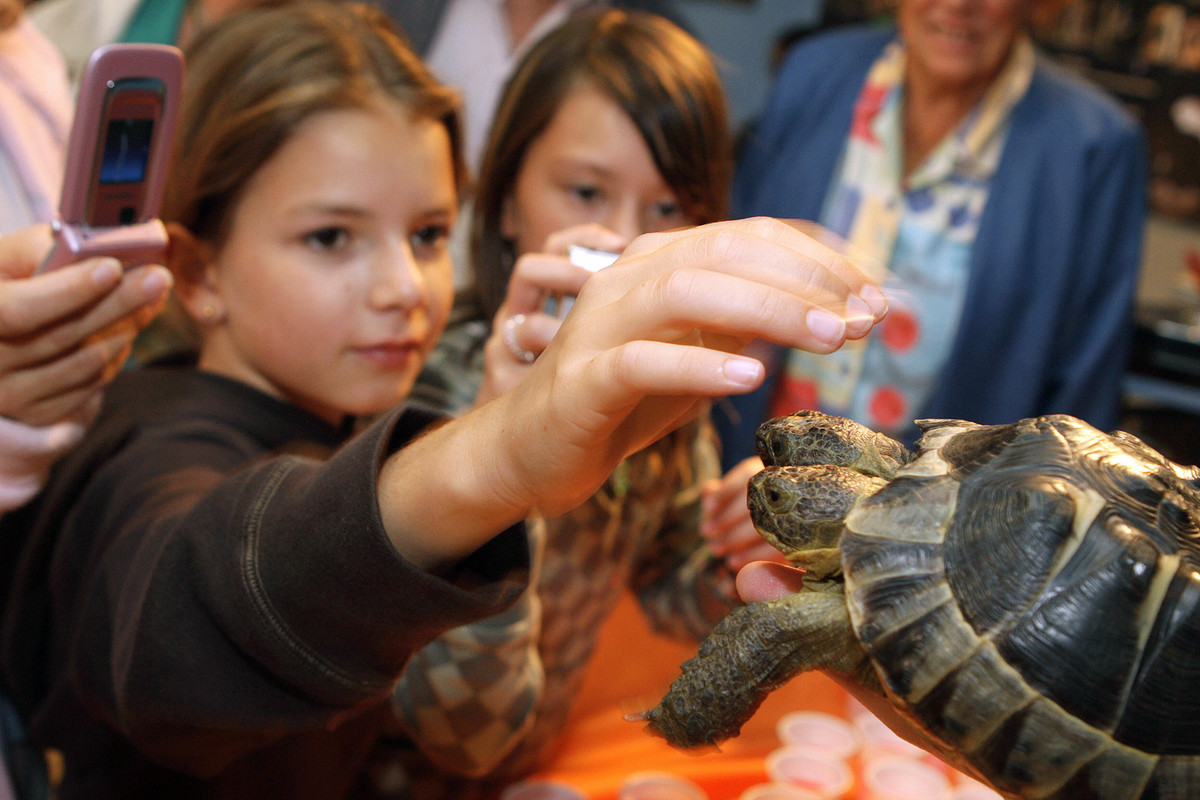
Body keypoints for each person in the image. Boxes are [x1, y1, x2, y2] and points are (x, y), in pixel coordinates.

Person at [0, 4, 885, 799]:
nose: (400, 287)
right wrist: (497, 455)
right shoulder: (150, 442)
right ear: (198, 274)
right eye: (330, 237)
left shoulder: (342, 413)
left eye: (425, 234)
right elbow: (184, 610)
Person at [369, 11, 879, 798]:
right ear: (504, 201)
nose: (629, 244)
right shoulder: (430, 395)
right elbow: (464, 741)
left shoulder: (660, 393)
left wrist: (725, 552)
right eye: (584, 191)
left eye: (668, 210)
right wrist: (497, 475)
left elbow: (667, 585)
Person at [717, 0, 1148, 470]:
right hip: (756, 487)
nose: (959, 4)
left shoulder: (1094, 146)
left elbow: (1086, 388)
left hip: (945, 526)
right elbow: (731, 276)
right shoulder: (813, 71)